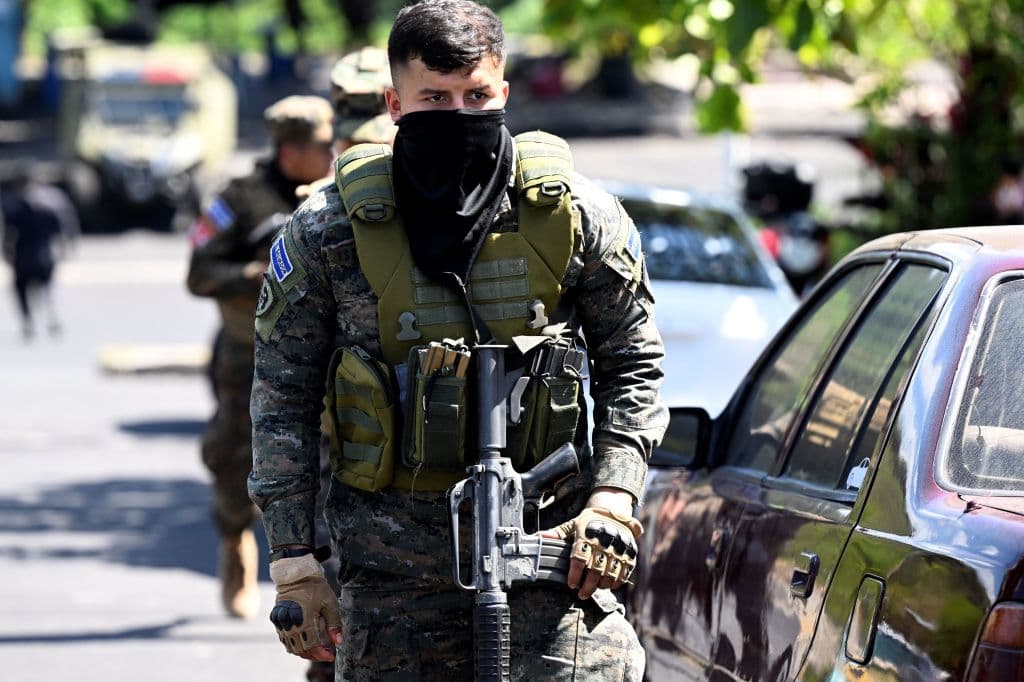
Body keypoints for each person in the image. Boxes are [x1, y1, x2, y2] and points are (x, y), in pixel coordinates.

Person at [249, 1, 667, 679]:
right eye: (434, 98)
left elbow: (634, 362)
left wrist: (613, 499)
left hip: (554, 553)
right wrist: (295, 560)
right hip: (393, 575)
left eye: (477, 96)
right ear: (394, 103)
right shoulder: (330, 231)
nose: (459, 115)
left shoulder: (575, 215)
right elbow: (282, 394)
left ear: (504, 92)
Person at [185, 94, 334, 621]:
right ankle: (234, 541)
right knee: (234, 460)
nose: (334, 151)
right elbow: (198, 273)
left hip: (322, 356)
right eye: (324, 146)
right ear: (293, 151)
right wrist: (254, 275)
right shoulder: (237, 200)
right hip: (246, 358)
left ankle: (315, 575)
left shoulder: (334, 192)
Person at [1, 164, 79, 340]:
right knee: (45, 288)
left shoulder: (15, 205)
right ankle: (49, 318)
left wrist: (6, 251)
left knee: (23, 289)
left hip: (24, 254)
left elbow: (8, 232)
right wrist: (66, 245)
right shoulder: (49, 202)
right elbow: (62, 226)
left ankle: (31, 322)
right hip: (42, 253)